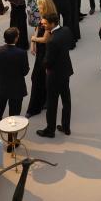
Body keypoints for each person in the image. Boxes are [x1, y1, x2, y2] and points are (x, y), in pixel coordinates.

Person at [35, 8, 74, 138]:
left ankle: (50, 130)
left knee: (52, 103)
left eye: (45, 23)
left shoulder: (52, 41)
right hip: (66, 70)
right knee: (66, 100)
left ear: (52, 23)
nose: (43, 25)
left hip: (54, 75)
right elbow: (71, 44)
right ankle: (66, 127)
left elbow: (48, 61)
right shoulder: (66, 30)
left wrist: (44, 65)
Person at [0, 26, 29, 141]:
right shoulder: (21, 53)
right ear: (16, 39)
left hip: (0, 87)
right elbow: (25, 71)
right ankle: (12, 142)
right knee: (14, 116)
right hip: (16, 89)